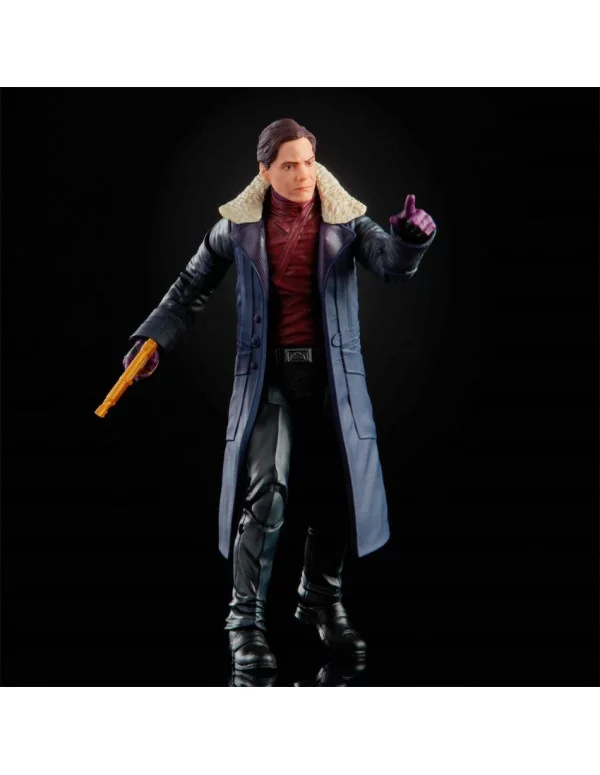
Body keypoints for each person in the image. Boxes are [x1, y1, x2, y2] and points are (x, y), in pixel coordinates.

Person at [123, 118, 437, 673]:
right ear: (265, 171)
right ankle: (244, 621)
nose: (303, 174)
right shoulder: (238, 227)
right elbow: (189, 287)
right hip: (268, 378)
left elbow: (390, 264)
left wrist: (411, 240)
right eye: (289, 165)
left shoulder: (345, 219)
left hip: (333, 380)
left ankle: (320, 597)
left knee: (339, 491)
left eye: (308, 162)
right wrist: (152, 340)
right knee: (267, 492)